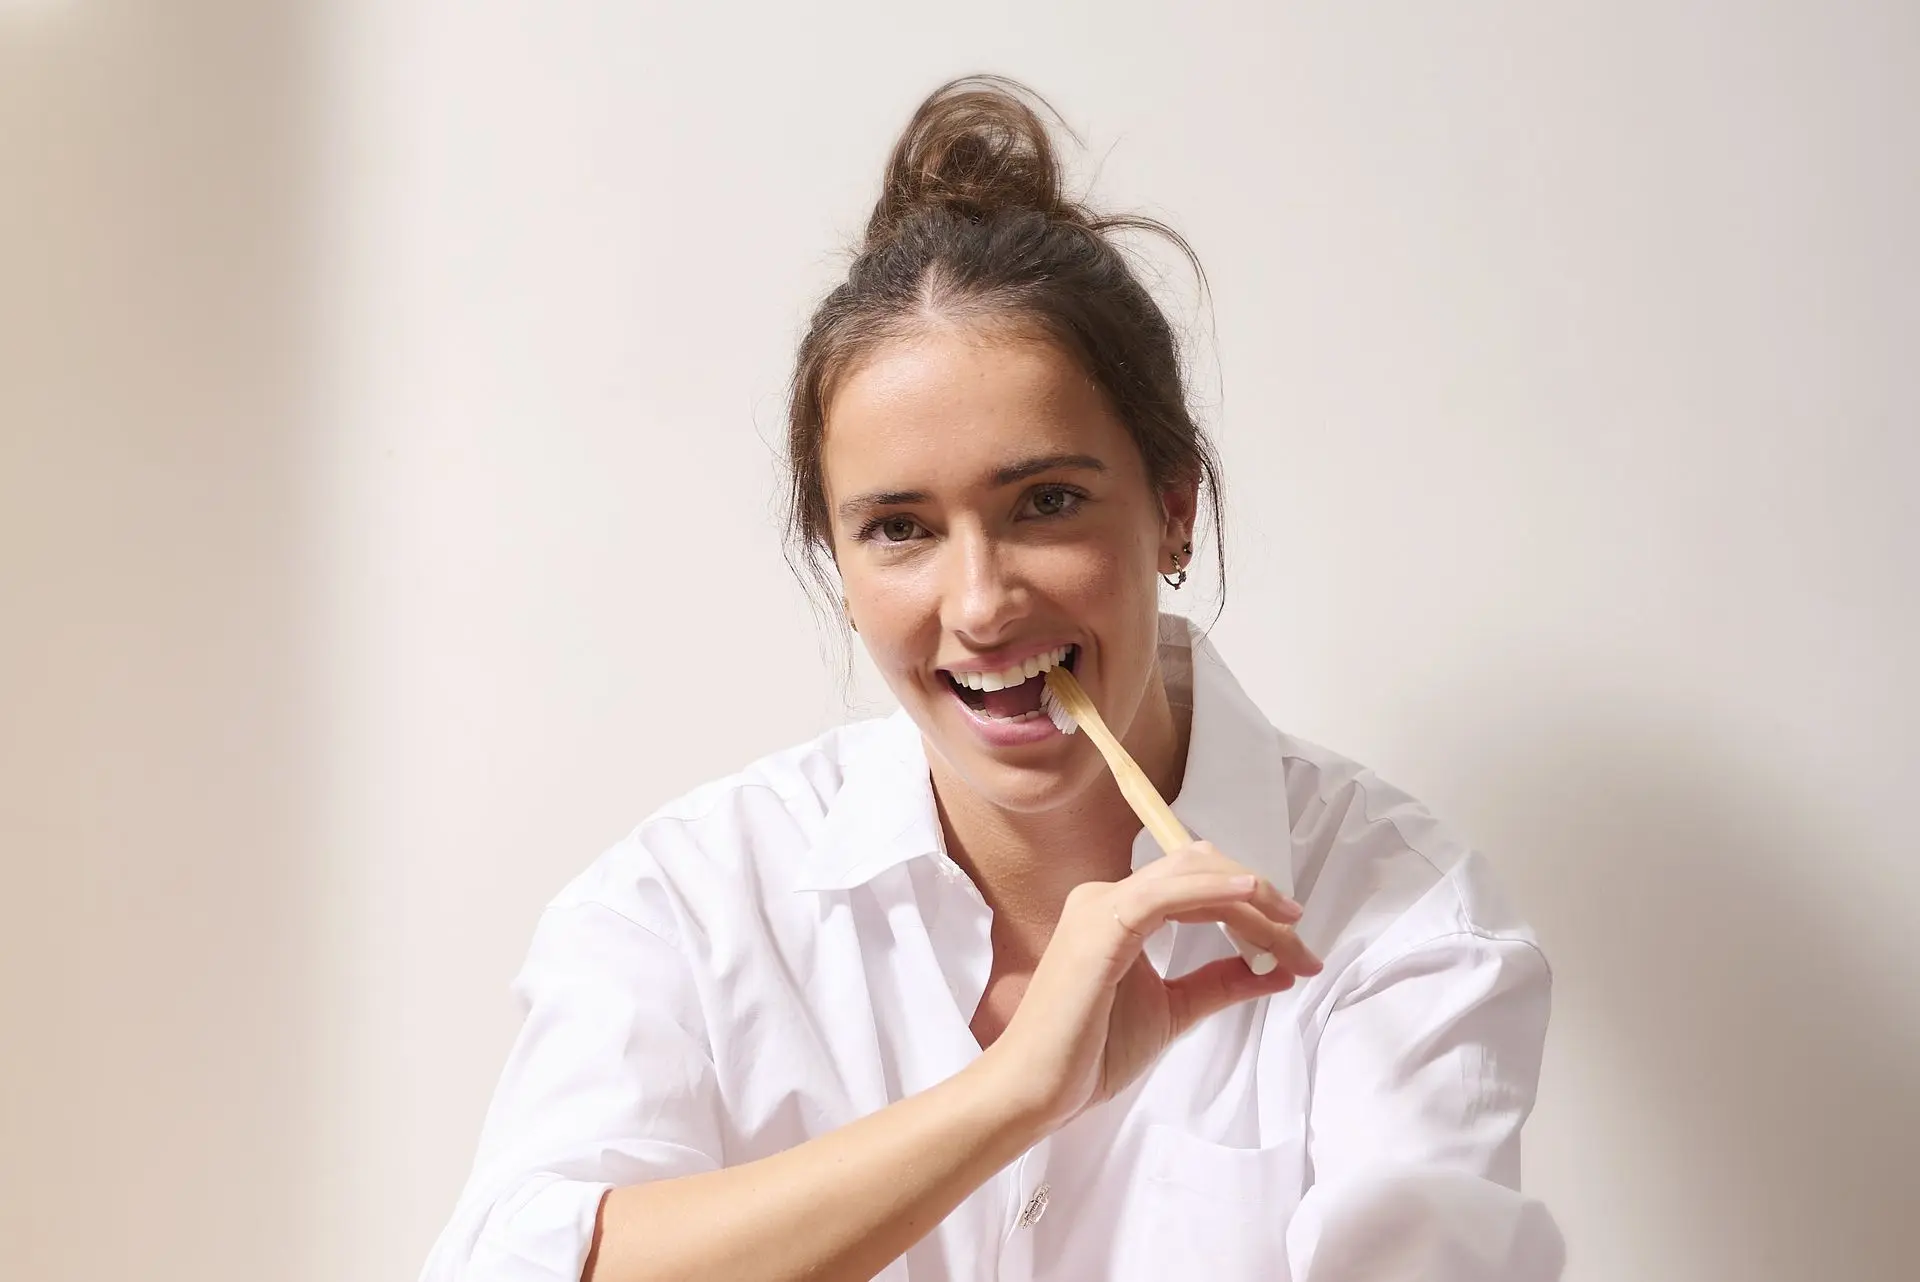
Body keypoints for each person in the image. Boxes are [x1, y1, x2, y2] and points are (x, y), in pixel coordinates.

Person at [419, 76, 1561, 1282]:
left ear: (1173, 511)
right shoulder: (689, 905)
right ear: (840, 562)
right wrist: (1009, 1096)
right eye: (899, 529)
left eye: (1047, 502)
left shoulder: (1396, 919)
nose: (978, 604)